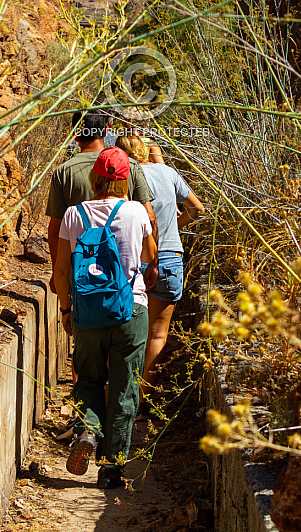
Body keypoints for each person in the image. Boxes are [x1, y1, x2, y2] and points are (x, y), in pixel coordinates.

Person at [54, 146, 157, 489]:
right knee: (124, 389)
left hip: (88, 313)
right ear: (125, 179)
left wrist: (67, 309)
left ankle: (87, 430)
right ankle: (111, 469)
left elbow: (61, 270)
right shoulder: (134, 212)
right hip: (130, 311)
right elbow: (148, 255)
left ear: (93, 177)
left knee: (88, 378)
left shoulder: (73, 215)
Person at [115, 133, 204, 416]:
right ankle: (143, 400)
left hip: (133, 260)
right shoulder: (168, 172)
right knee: (157, 333)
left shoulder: (123, 177)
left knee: (125, 333)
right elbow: (196, 208)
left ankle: (118, 397)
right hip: (169, 258)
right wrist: (177, 225)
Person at [45, 110, 159, 293]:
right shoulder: (129, 166)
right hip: (125, 280)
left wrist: (58, 274)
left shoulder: (63, 172)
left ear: (75, 134)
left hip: (83, 279)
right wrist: (154, 264)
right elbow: (150, 219)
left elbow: (55, 229)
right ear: (106, 132)